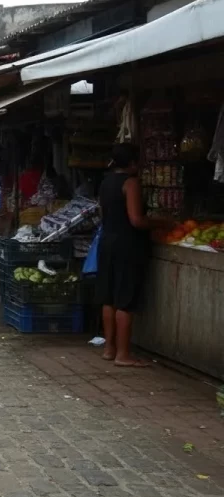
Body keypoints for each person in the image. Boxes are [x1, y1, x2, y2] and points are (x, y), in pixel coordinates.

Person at [96, 143, 166, 368]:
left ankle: (109, 349)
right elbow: (136, 219)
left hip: (107, 242)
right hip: (127, 244)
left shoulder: (106, 182)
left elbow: (102, 213)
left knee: (109, 298)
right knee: (125, 299)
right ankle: (123, 354)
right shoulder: (131, 182)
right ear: (133, 162)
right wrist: (161, 222)